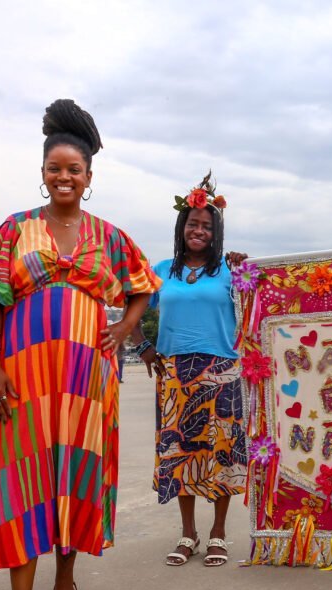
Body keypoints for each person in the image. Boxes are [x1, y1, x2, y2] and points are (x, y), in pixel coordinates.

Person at [0, 99, 160, 590]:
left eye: (74, 170)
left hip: (87, 377)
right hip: (22, 372)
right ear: (43, 173)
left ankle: (66, 581)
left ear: (89, 178)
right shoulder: (16, 229)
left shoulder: (110, 236)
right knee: (20, 477)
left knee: (73, 472)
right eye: (55, 168)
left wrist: (123, 327)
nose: (64, 177)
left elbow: (144, 285)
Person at [127, 173, 248, 568]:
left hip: (223, 371)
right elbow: (129, 313)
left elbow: (259, 311)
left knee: (222, 453)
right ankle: (188, 533)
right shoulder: (161, 270)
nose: (199, 231)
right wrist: (144, 348)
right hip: (175, 375)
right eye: (193, 224)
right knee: (181, 453)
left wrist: (247, 273)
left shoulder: (230, 273)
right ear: (182, 228)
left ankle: (218, 533)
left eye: (207, 226)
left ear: (217, 233)